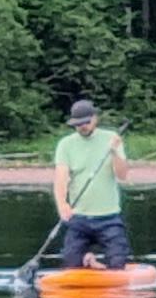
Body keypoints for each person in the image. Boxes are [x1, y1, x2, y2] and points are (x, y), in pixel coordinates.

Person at [48, 98, 131, 270]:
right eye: (78, 124)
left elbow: (122, 175)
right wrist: (62, 204)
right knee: (71, 263)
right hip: (79, 218)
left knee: (117, 263)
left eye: (85, 122)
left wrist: (114, 151)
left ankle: (95, 261)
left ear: (95, 119)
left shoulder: (111, 139)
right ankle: (87, 258)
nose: (82, 127)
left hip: (109, 217)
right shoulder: (66, 145)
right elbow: (61, 178)